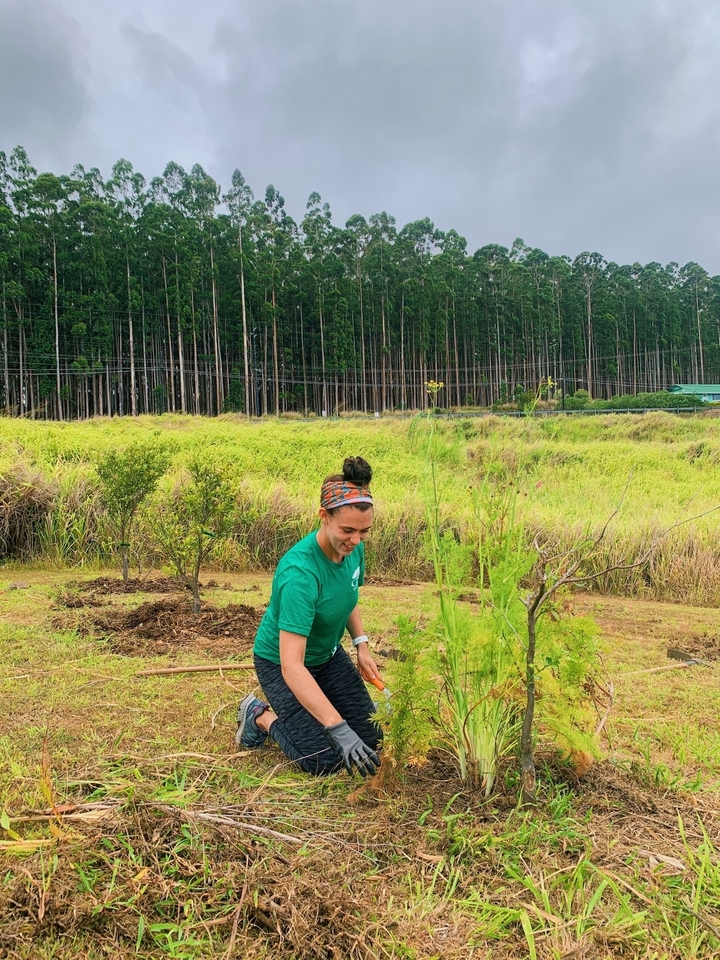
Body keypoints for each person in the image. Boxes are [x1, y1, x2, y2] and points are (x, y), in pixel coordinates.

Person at [235, 456, 382, 777]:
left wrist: (361, 644)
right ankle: (258, 715)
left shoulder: (352, 548)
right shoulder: (300, 574)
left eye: (364, 532)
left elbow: (348, 594)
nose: (356, 540)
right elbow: (292, 666)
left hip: (327, 657)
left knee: (372, 740)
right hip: (281, 664)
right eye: (347, 530)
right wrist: (336, 727)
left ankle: (322, 706)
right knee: (324, 760)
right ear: (323, 517)